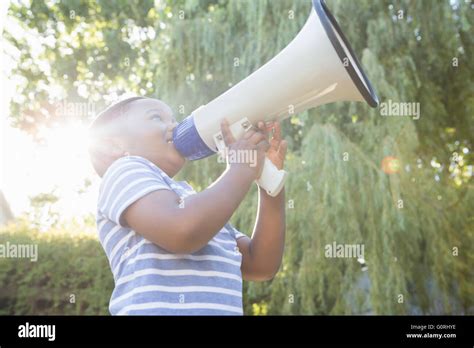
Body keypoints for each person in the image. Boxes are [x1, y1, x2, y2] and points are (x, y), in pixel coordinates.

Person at [88, 96, 287, 315]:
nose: (174, 125)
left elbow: (261, 265)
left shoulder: (198, 206)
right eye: (156, 117)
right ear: (114, 145)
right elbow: (182, 230)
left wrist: (269, 180)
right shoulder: (123, 171)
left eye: (174, 118)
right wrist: (241, 168)